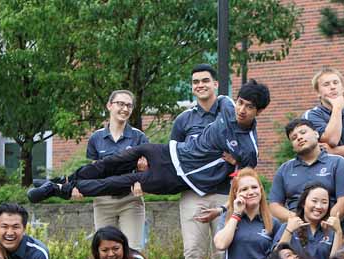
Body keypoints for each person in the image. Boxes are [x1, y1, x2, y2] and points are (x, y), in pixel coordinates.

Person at [27, 80, 270, 202]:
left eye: (249, 107)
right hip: (171, 151)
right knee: (113, 161)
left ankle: (60, 191)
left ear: (258, 112)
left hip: (178, 176)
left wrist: (236, 161)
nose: (241, 110)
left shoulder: (249, 147)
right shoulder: (226, 104)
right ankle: (63, 179)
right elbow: (211, 96)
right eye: (241, 103)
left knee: (119, 181)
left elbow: (246, 172)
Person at [170, 64, 227, 259]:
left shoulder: (229, 113)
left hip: (225, 193)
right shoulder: (183, 120)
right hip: (193, 194)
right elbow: (172, 157)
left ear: (216, 84)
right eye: (195, 82)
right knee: (193, 253)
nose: (200, 85)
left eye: (205, 80)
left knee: (222, 255)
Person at [84, 89, 149, 250]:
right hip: (103, 201)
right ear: (109, 106)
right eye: (120, 104)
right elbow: (94, 171)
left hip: (130, 200)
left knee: (133, 252)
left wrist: (142, 177)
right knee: (105, 251)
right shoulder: (96, 138)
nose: (125, 109)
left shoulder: (139, 137)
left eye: (129, 105)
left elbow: (148, 170)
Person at [269, 118, 344, 222]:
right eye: (294, 138)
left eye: (303, 132)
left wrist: (323, 223)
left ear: (316, 134)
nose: (299, 138)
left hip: (329, 228)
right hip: (295, 228)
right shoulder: (285, 169)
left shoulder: (337, 162)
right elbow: (274, 205)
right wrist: (298, 220)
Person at [274, 182, 344, 259]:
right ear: (303, 203)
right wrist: (289, 231)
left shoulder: (331, 231)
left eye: (324, 202)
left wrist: (338, 232)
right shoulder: (288, 227)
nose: (319, 206)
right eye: (314, 201)